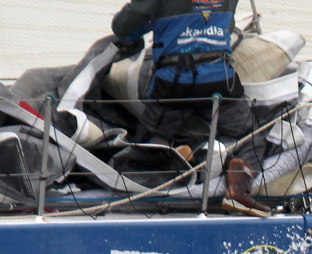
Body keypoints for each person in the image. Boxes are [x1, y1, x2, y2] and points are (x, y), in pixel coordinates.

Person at [111, 0, 272, 217]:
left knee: (147, 144)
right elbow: (228, 21)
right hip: (219, 81)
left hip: (174, 84)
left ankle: (168, 161)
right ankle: (238, 191)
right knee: (252, 135)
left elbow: (123, 29)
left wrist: (155, 21)